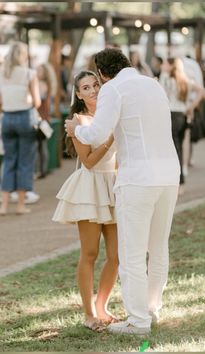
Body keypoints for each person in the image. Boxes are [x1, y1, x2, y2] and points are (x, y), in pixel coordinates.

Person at [65, 48, 180, 335]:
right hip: (169, 174)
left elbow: (94, 132)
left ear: (102, 73)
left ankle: (138, 322)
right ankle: (152, 309)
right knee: (158, 247)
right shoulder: (152, 84)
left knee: (131, 252)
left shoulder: (113, 89)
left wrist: (73, 129)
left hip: (138, 178)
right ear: (127, 63)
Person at [53, 70, 119, 331]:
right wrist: (111, 139)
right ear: (78, 94)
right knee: (90, 253)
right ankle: (88, 313)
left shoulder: (112, 114)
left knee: (116, 256)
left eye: (95, 85)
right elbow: (89, 162)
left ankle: (102, 305)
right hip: (90, 188)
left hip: (113, 187)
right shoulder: (78, 121)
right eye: (86, 88)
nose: (93, 91)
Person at [0, 41, 41, 215]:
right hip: (25, 117)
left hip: (7, 118)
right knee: (25, 162)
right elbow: (37, 101)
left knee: (9, 161)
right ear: (23, 56)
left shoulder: (2, 74)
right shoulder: (29, 74)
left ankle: (3, 206)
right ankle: (20, 205)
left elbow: (1, 103)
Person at [159, 57, 204, 195]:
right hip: (182, 116)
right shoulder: (184, 80)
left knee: (173, 150)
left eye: (166, 63)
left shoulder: (166, 78)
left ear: (171, 66)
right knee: (178, 148)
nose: (163, 65)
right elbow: (201, 91)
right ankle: (179, 182)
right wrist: (191, 107)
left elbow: (161, 96)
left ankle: (177, 182)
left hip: (171, 115)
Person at [36, 62, 57, 178]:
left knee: (39, 146)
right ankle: (43, 170)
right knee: (42, 146)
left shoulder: (41, 85)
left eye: (39, 71)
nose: (36, 73)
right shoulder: (48, 86)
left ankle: (41, 171)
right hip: (45, 119)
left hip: (40, 119)